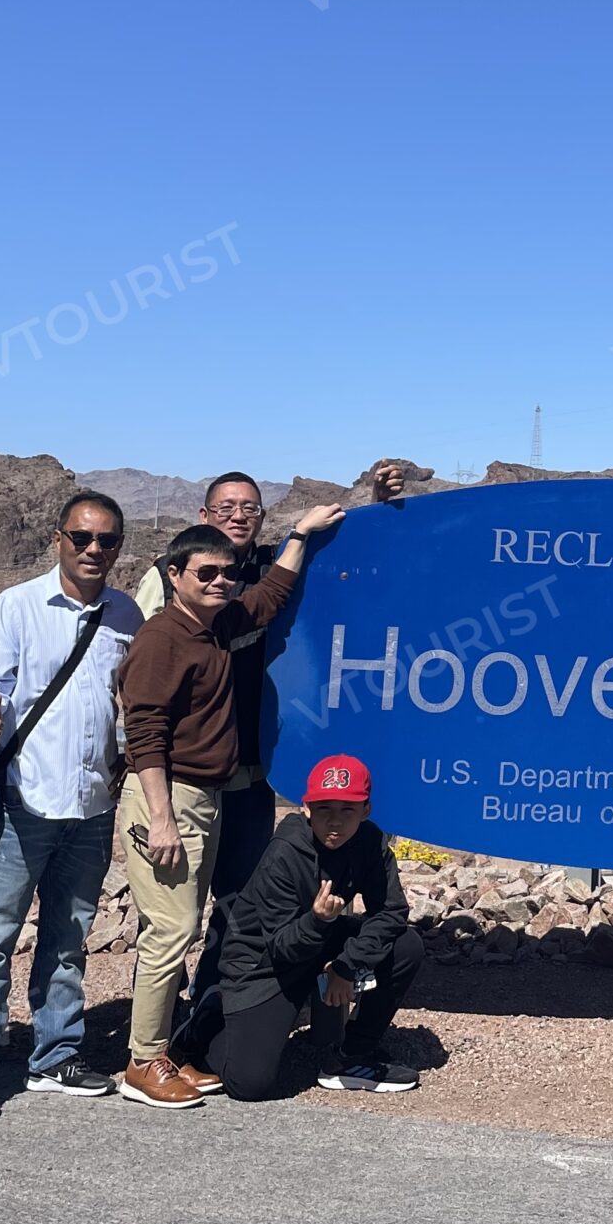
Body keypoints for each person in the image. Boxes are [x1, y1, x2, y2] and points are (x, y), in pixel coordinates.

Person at [152, 465, 405, 1067]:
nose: (239, 516)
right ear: (204, 516)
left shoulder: (268, 567)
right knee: (173, 918)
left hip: (251, 773)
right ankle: (155, 1042)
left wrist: (373, 502)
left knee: (239, 903)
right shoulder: (183, 581)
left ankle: (213, 1013)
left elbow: (338, 556)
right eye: (226, 507)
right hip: (188, 778)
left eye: (250, 508)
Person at [116, 498, 352, 1109]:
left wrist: (299, 534)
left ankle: (165, 1053)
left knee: (186, 923)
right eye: (205, 574)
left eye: (226, 573)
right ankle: (144, 1063)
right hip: (170, 802)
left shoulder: (215, 625)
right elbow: (144, 732)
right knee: (170, 930)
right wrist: (162, 818)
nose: (220, 582)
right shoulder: (161, 639)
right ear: (175, 577)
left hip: (209, 798)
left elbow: (269, 594)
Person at [0, 490, 144, 1123]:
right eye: (82, 538)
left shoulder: (125, 615)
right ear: (58, 539)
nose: (94, 550)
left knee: (69, 935)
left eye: (107, 541)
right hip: (26, 796)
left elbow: (125, 700)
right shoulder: (19, 605)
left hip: (92, 802)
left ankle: (54, 1054)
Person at [211, 753, 424, 1100]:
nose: (335, 822)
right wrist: (318, 919)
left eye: (347, 810)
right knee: (248, 1085)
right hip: (263, 963)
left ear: (366, 811)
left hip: (318, 938)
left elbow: (391, 912)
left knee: (406, 946)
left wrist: (346, 965)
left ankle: (351, 1057)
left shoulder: (371, 842)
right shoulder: (285, 852)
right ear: (306, 809)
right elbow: (280, 946)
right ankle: (210, 1022)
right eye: (324, 809)